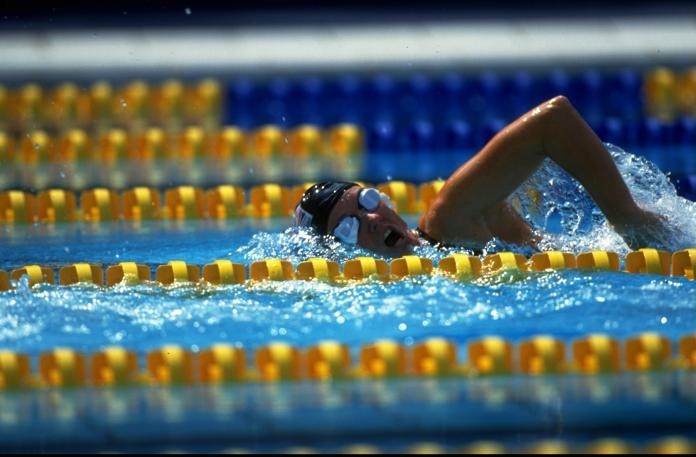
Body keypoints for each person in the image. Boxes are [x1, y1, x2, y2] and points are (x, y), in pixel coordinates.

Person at [294, 95, 670, 256]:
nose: (372, 221)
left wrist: (628, 218)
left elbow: (554, 121)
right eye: (348, 228)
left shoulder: (449, 218)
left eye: (366, 202)